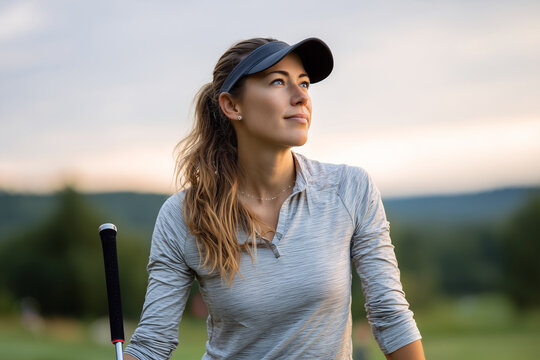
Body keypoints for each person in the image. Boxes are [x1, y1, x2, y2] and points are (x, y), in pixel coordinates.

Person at [124, 37, 425, 360]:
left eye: (305, 84)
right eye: (278, 82)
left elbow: (390, 316)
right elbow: (151, 344)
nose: (300, 97)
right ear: (232, 106)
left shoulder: (349, 189)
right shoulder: (182, 215)